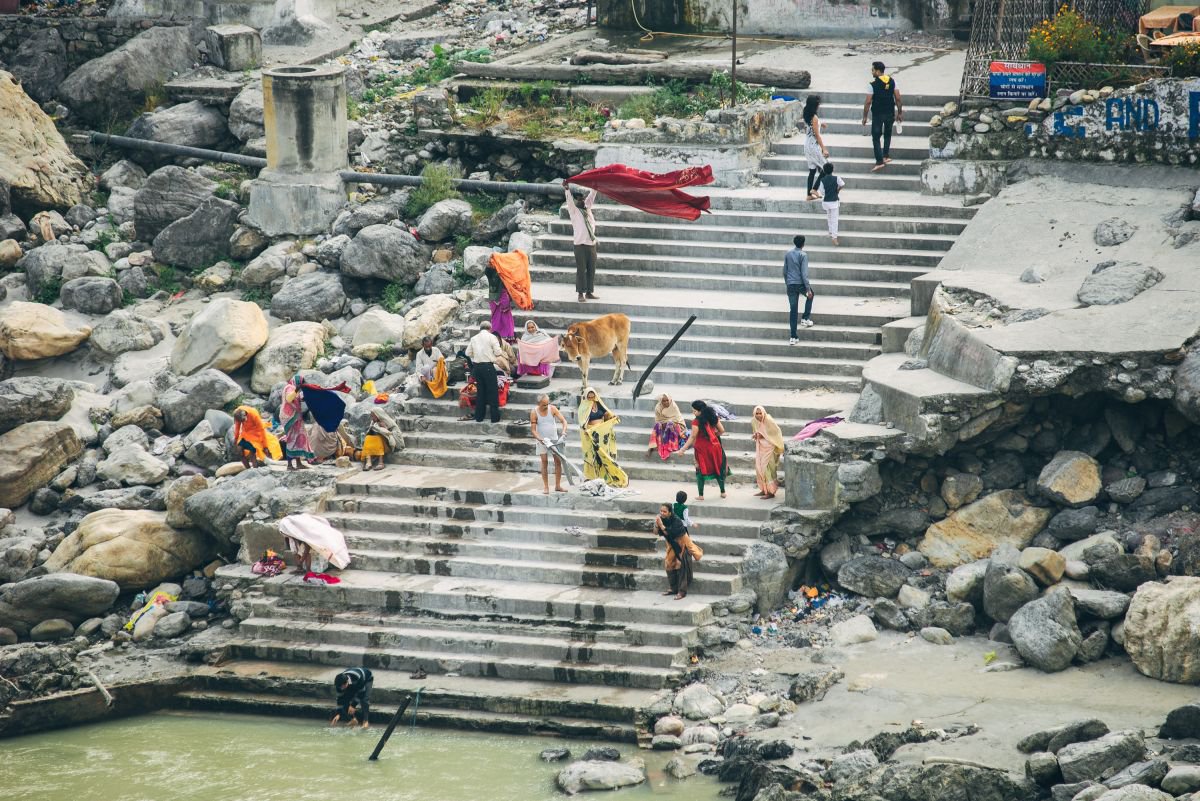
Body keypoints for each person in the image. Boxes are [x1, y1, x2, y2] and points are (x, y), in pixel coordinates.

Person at [675, 400, 729, 500]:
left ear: (700, 411)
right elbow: (722, 430)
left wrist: (682, 449)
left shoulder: (696, 421)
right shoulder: (713, 417)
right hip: (715, 448)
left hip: (702, 450)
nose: (693, 413)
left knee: (700, 471)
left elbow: (692, 437)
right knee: (718, 469)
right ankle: (723, 492)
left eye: (694, 411)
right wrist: (713, 436)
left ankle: (701, 495)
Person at [578, 387, 627, 487]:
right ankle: (591, 477)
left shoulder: (599, 404)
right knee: (593, 456)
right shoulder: (583, 408)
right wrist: (587, 430)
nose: (591, 398)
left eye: (593, 396)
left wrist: (612, 417)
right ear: (586, 397)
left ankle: (605, 476)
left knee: (603, 455)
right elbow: (583, 422)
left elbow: (605, 414)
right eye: (589, 397)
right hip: (591, 434)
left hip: (601, 434)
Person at [861, 61, 904, 173]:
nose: (872, 72)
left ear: (878, 71)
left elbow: (868, 102)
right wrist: (899, 113)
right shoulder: (893, 81)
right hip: (890, 113)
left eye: (873, 70)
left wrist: (865, 116)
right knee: (887, 134)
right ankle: (885, 155)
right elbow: (898, 98)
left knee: (876, 137)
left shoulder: (872, 85)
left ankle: (879, 162)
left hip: (878, 114)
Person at [654, 502, 703, 600]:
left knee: (682, 566)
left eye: (665, 511)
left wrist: (661, 525)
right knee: (668, 564)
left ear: (670, 512)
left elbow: (670, 533)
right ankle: (673, 588)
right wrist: (656, 525)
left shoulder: (677, 521)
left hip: (683, 544)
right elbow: (656, 532)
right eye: (661, 511)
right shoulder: (661, 520)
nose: (662, 513)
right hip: (671, 545)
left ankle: (682, 592)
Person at [563, 183, 599, 303]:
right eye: (579, 199)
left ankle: (589, 292)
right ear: (576, 201)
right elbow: (569, 201)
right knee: (581, 270)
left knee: (591, 269)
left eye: (582, 199)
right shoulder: (574, 212)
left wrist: (595, 186)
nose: (581, 201)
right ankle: (580, 293)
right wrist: (567, 190)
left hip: (591, 244)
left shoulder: (587, 208)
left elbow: (592, 195)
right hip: (580, 246)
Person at [530, 393, 568, 494]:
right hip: (542, 440)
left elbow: (564, 421)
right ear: (539, 404)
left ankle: (558, 486)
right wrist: (540, 439)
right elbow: (533, 430)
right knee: (544, 462)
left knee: (558, 461)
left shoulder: (553, 409)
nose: (546, 406)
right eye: (544, 405)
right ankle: (546, 487)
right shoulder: (534, 412)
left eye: (547, 404)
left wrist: (563, 432)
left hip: (554, 439)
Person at [466, 321, 503, 423]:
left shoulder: (474, 338)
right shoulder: (492, 337)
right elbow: (498, 352)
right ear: (490, 328)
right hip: (488, 366)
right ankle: (494, 418)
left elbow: (467, 353)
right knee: (492, 392)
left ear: (480, 328)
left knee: (480, 392)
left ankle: (479, 417)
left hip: (477, 367)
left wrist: (477, 356)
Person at [784, 234, 814, 345]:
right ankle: (805, 318)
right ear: (803, 244)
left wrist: (788, 283)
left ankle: (793, 337)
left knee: (793, 311)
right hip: (801, 284)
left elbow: (784, 271)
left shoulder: (788, 254)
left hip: (791, 285)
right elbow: (804, 274)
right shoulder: (803, 255)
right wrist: (808, 289)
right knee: (811, 296)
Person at [280, 375, 313, 471]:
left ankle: (298, 463)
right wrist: (297, 389)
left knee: (299, 439)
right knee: (292, 439)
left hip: (296, 417)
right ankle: (289, 465)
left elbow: (299, 398)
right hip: (289, 418)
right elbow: (289, 399)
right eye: (301, 383)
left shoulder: (294, 389)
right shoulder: (290, 388)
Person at [751, 405, 785, 499]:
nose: (758, 415)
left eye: (760, 413)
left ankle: (771, 492)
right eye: (756, 413)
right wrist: (756, 435)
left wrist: (764, 436)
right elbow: (756, 431)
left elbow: (777, 432)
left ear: (763, 413)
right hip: (760, 447)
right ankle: (764, 489)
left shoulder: (768, 420)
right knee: (759, 468)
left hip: (769, 448)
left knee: (767, 469)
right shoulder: (754, 420)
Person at [801, 95, 829, 201]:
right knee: (826, 167)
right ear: (815, 105)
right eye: (818, 103)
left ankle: (809, 194)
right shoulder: (815, 118)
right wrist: (824, 148)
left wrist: (821, 124)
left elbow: (812, 126)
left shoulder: (807, 114)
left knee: (812, 170)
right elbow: (817, 135)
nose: (819, 105)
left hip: (807, 146)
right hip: (813, 146)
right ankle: (815, 189)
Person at [648, 393, 690, 461]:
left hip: (677, 427)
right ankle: (653, 445)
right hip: (664, 426)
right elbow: (658, 420)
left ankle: (671, 445)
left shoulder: (673, 406)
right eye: (663, 401)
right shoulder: (658, 408)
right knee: (657, 425)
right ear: (661, 401)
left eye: (667, 400)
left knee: (670, 423)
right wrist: (663, 424)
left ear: (670, 400)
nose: (666, 402)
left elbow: (677, 420)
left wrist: (667, 423)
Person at [361, 401, 397, 471]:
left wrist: (384, 428)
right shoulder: (373, 422)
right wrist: (372, 428)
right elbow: (370, 433)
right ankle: (369, 462)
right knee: (368, 438)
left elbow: (392, 434)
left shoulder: (387, 421)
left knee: (378, 438)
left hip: (386, 443)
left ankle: (381, 462)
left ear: (378, 415)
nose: (372, 418)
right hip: (375, 443)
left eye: (373, 416)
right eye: (371, 416)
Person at [815, 163, 846, 246]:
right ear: (833, 170)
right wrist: (838, 190)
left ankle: (830, 231)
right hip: (834, 201)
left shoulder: (822, 180)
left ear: (824, 171)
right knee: (834, 219)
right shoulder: (836, 178)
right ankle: (834, 237)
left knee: (829, 216)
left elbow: (822, 192)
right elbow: (843, 184)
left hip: (826, 201)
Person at [485, 264, 516, 339]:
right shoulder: (491, 273)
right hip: (494, 297)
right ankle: (496, 336)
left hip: (503, 297)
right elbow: (487, 271)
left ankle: (507, 336)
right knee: (496, 318)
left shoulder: (505, 274)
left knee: (505, 318)